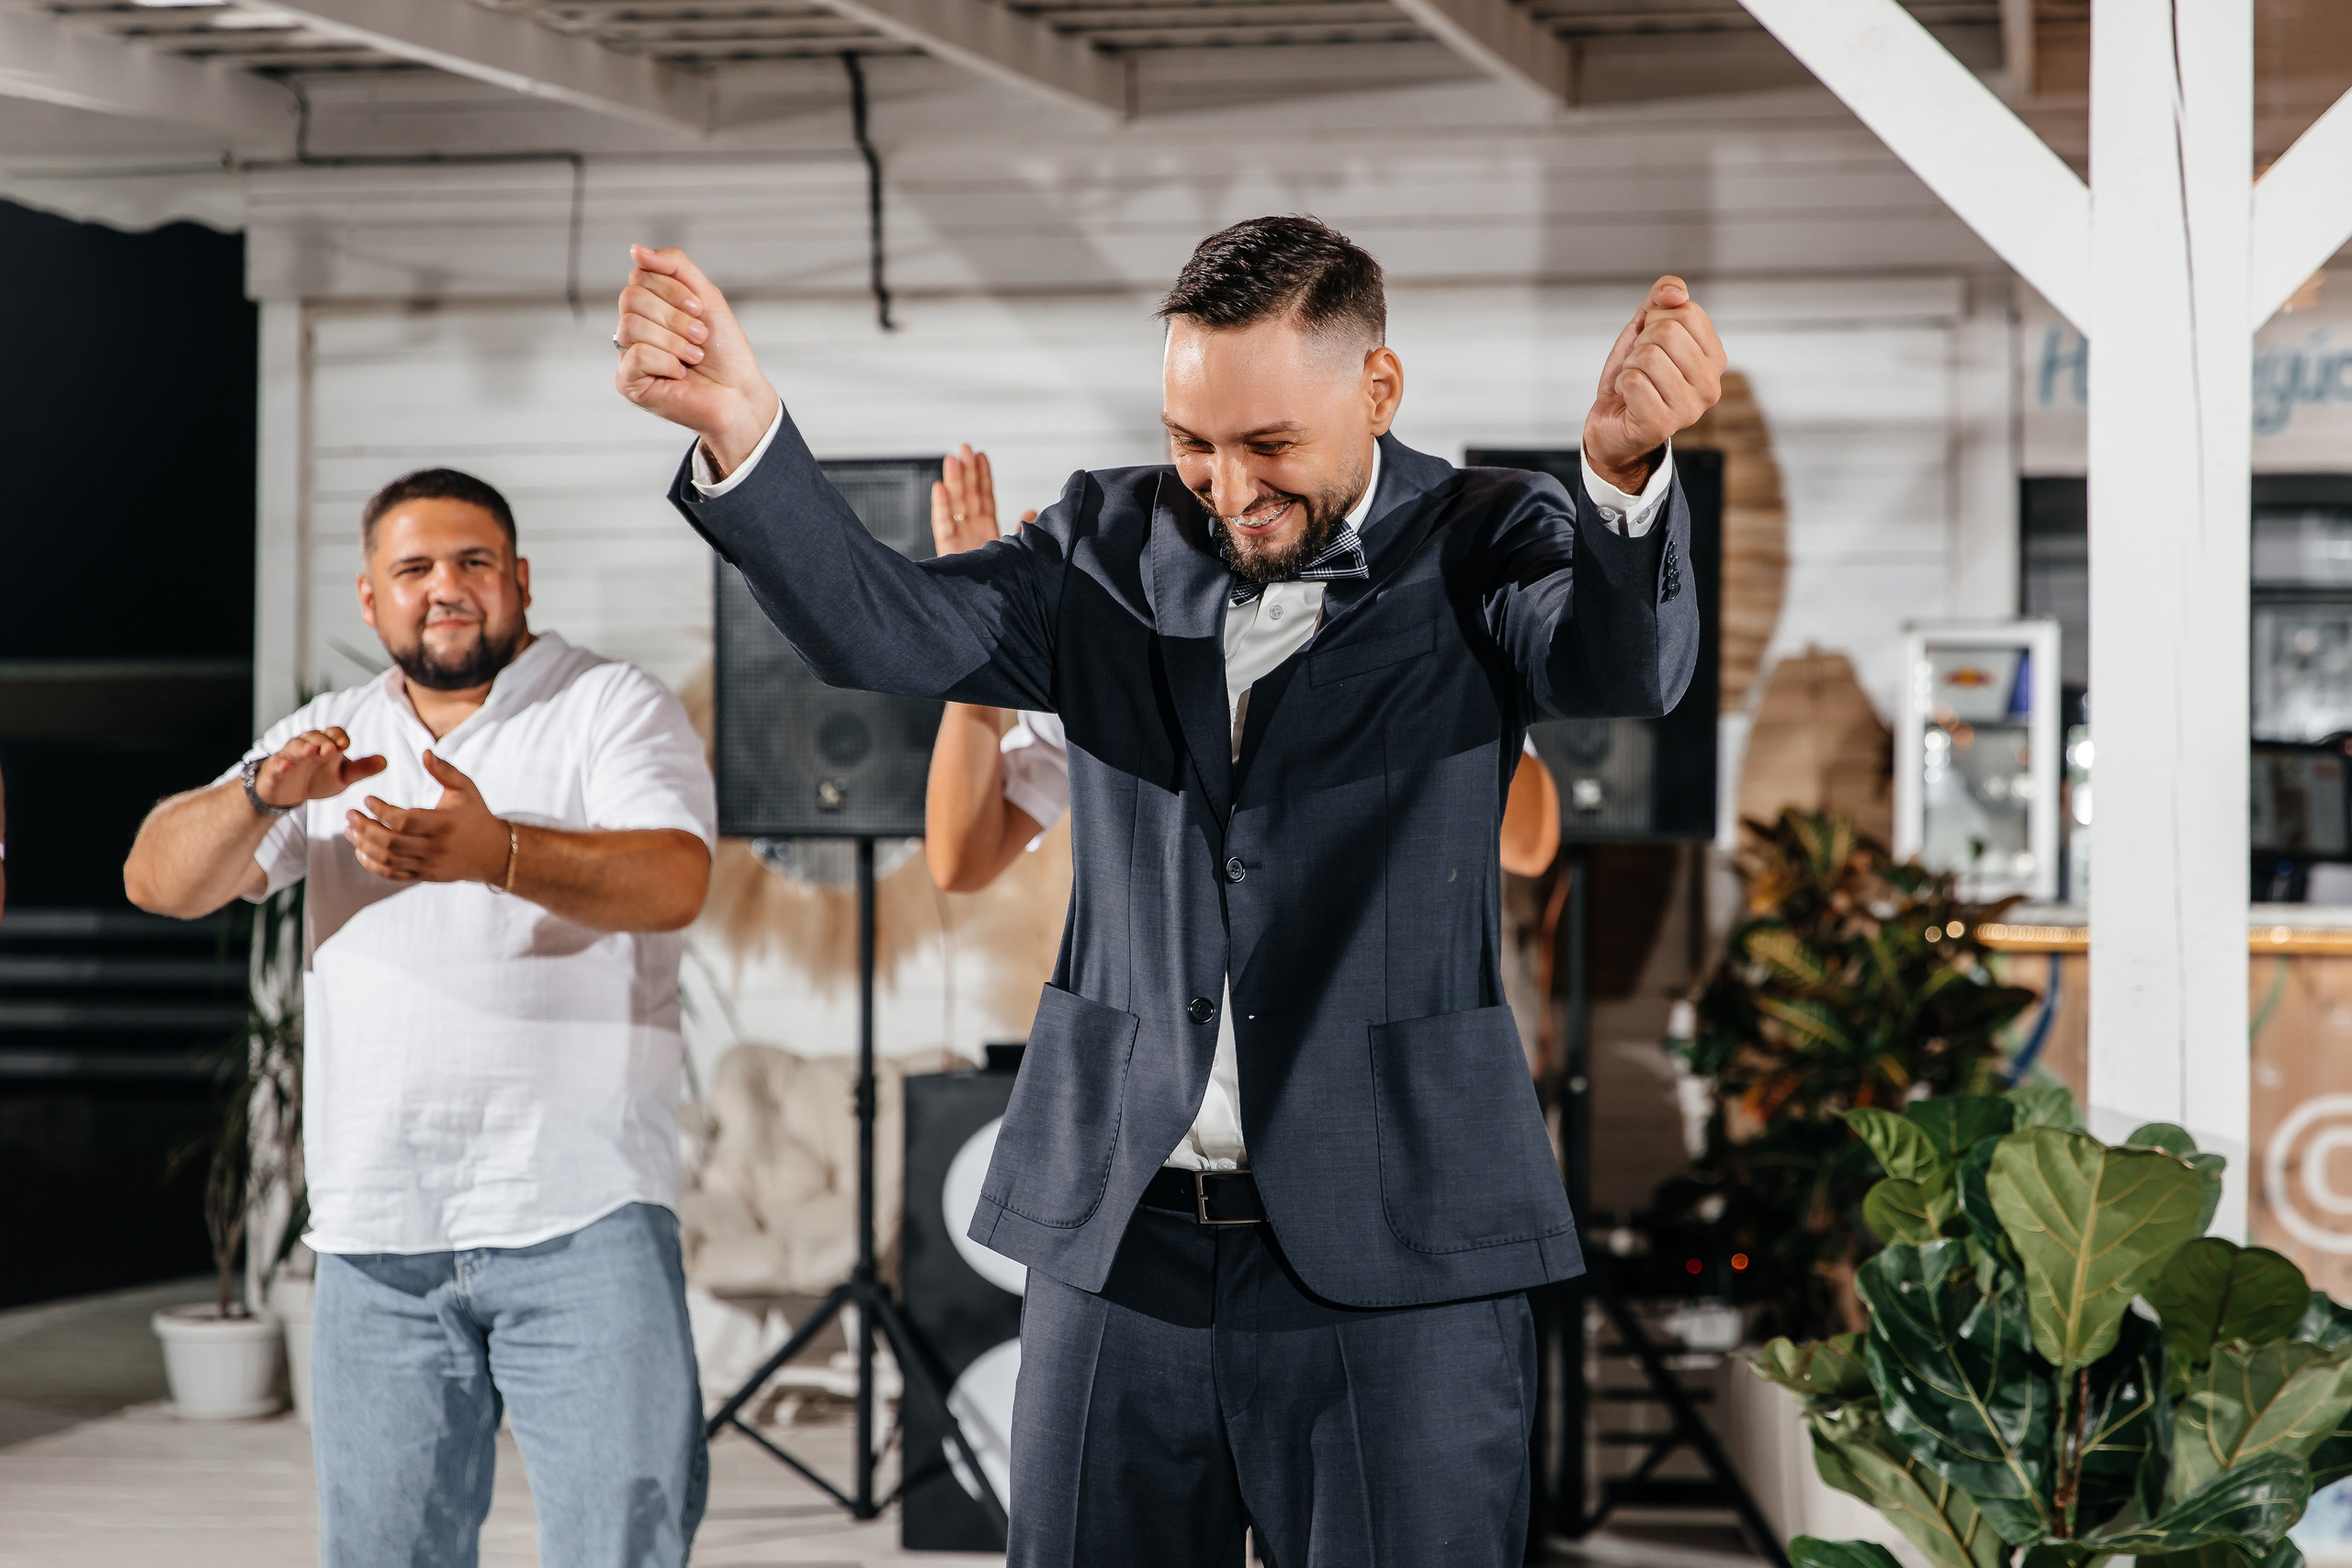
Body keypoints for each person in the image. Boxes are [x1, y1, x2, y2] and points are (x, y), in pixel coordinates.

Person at [616, 216, 1720, 1566]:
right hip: (1122, 1235)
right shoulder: (1103, 537)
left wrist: (1620, 477)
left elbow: (1622, 667)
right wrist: (745, 425)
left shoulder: (1487, 535)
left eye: (1268, 446)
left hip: (1404, 1246)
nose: (1226, 487)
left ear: (1377, 388)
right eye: (1194, 441)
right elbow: (885, 626)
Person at [122, 468, 716, 1568]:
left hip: (582, 1221)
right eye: (414, 569)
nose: (445, 587)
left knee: (620, 1551)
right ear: (369, 598)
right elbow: (159, 879)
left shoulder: (607, 705)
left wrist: (498, 854)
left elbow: (675, 878)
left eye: (473, 562)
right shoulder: (329, 737)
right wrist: (262, 793)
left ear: (519, 580)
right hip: (377, 1242)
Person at [921, 444, 1562, 891]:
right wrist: (984, 648)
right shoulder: (1120, 635)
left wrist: (1399, 668)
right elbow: (962, 860)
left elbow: (1530, 844)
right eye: (1199, 450)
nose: (1235, 492)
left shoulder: (1409, 610)